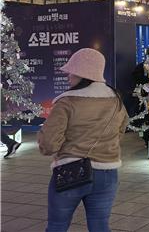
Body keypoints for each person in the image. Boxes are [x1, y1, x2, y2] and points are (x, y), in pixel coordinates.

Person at [38, 48, 128, 232]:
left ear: (82, 74)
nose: (69, 76)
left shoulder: (66, 102)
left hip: (71, 171)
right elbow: (120, 131)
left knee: (57, 226)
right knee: (100, 225)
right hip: (107, 173)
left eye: (72, 71)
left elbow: (48, 144)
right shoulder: (115, 100)